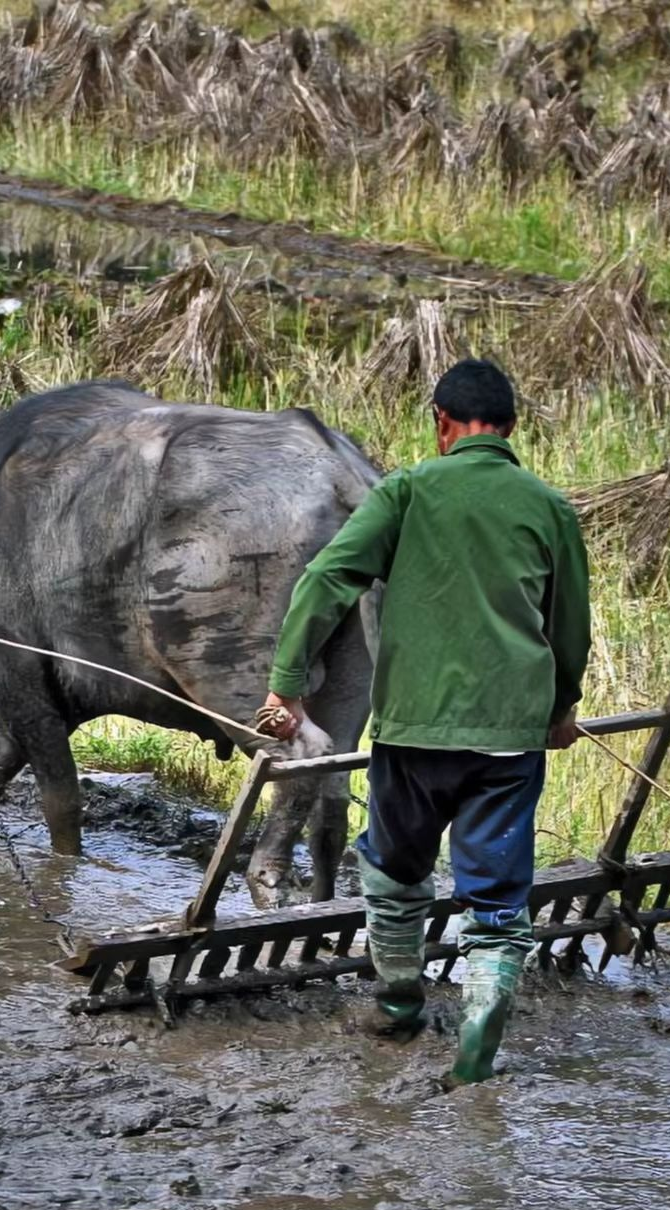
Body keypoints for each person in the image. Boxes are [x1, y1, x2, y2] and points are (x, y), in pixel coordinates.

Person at [261, 358, 591, 1087]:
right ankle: (476, 1044)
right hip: (509, 738)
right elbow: (569, 631)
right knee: (498, 901)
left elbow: (328, 579)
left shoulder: (408, 491)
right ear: (510, 427)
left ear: (442, 423)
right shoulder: (548, 507)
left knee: (390, 865)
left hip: (414, 734)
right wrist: (559, 709)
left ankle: (400, 1003)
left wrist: (289, 684)